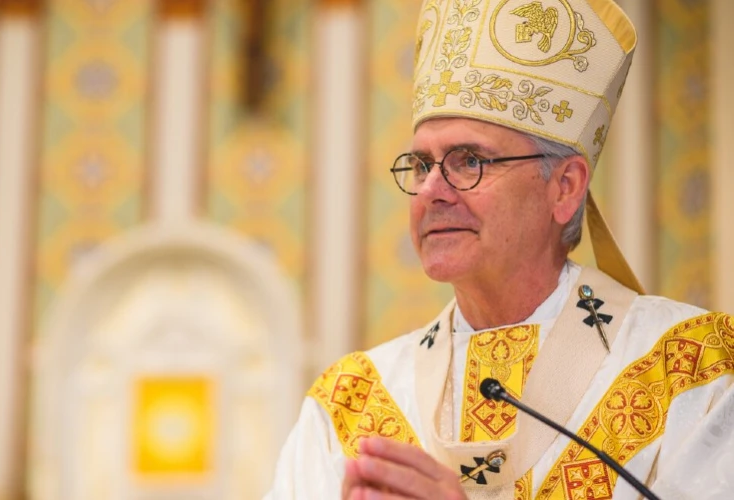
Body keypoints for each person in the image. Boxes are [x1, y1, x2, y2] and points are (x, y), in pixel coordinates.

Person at [265, 0, 734, 499]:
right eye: (421, 165)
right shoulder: (349, 405)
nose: (431, 190)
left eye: (469, 161)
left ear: (565, 188)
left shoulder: (692, 370)